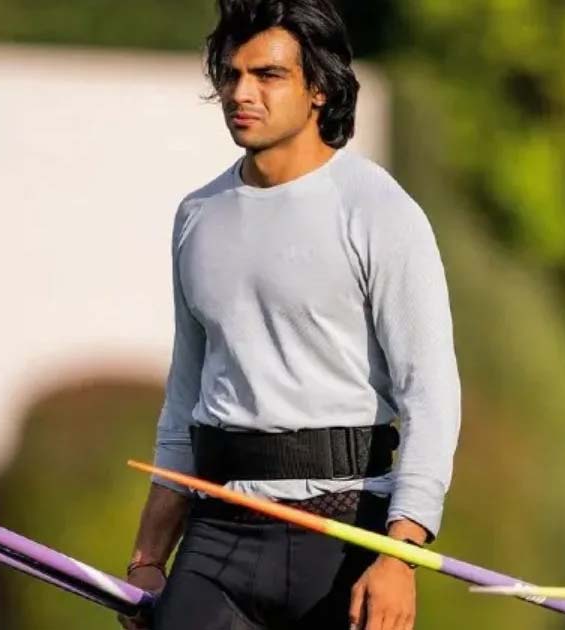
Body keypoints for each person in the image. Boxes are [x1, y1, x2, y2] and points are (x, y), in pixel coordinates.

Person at [117, 2, 461, 629]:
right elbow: (185, 397)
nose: (240, 92)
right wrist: (147, 556)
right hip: (217, 533)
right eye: (232, 73)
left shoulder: (380, 211)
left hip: (344, 536)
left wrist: (400, 556)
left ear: (319, 89)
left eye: (268, 75)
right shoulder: (197, 217)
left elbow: (431, 395)